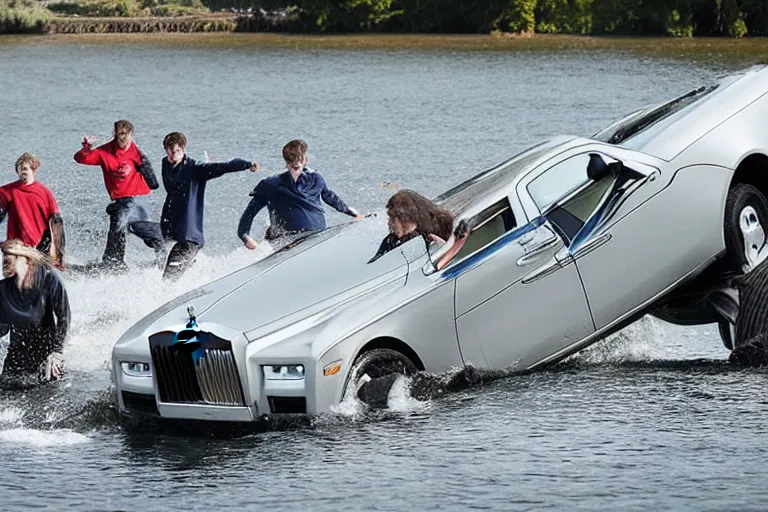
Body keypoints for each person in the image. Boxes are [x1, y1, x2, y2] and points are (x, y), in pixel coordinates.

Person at [159, 132, 259, 280]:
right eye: (170, 151)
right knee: (164, 265)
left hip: (190, 238)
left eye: (177, 152)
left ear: (184, 150)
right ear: (166, 150)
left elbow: (225, 166)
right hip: (173, 233)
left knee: (168, 279)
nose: (173, 155)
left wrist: (247, 165)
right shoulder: (166, 164)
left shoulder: (196, 169)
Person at [237, 139, 363, 248]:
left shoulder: (315, 178)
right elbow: (249, 213)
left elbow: (331, 198)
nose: (295, 166)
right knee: (271, 232)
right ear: (287, 162)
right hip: (284, 239)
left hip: (315, 233)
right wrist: (245, 236)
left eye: (298, 162)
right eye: (292, 164)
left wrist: (352, 213)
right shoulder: (270, 185)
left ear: (305, 159)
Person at [73, 119, 164, 269]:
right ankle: (115, 261)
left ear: (131, 135)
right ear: (114, 134)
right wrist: (87, 147)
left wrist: (150, 179)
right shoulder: (105, 151)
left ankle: (113, 262)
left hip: (137, 197)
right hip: (120, 200)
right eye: (118, 136)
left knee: (122, 223)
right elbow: (80, 159)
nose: (122, 140)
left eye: (125, 136)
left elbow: (153, 182)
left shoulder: (136, 153)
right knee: (128, 225)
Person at [0, 240, 70, 386]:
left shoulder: (49, 278)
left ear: (25, 260)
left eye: (8, 260)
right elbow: (3, 327)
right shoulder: (3, 289)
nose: (3, 264)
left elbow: (64, 317)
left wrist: (57, 352)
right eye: (3, 260)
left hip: (47, 353)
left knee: (48, 390)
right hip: (17, 353)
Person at [0, 153, 65, 268]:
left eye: (24, 168)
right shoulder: (9, 190)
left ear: (33, 169)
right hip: (17, 245)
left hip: (38, 245)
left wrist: (57, 254)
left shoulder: (44, 193)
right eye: (19, 170)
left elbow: (56, 222)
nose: (22, 172)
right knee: (12, 272)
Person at [368, 189, 454, 264]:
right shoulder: (390, 241)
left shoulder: (439, 230)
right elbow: (374, 262)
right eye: (390, 218)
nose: (391, 223)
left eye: (394, 218)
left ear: (409, 218)